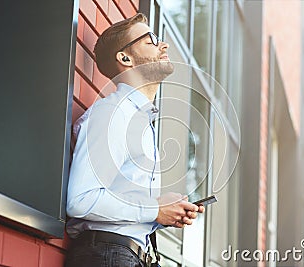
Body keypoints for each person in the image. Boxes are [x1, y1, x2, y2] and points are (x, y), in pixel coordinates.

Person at [65, 13, 204, 267]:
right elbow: (80, 201)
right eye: (151, 40)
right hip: (108, 255)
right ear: (125, 58)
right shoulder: (112, 114)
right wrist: (154, 209)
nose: (164, 45)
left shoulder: (138, 120)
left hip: (124, 255)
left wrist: (166, 212)